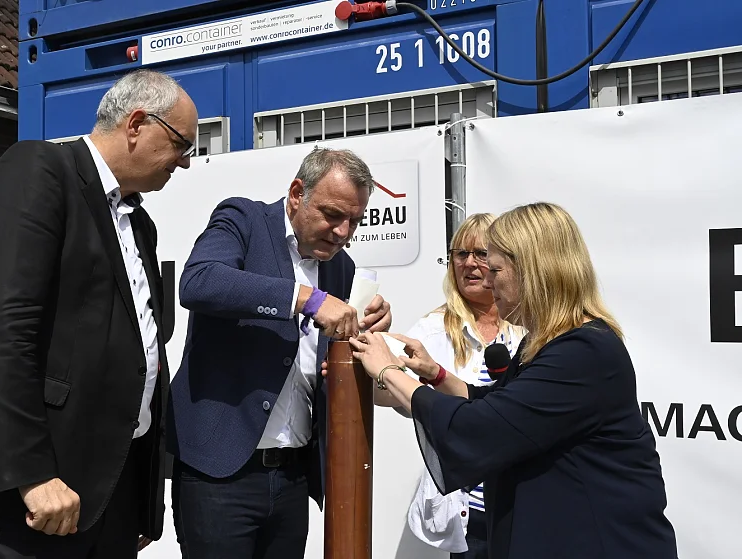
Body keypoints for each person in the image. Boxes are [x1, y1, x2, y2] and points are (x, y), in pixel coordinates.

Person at [0, 68, 198, 559]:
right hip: (38, 493)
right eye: (182, 144)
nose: (184, 163)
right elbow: (0, 331)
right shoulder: (38, 171)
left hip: (109, 491)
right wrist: (33, 474)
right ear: (136, 123)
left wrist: (140, 500)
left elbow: (139, 355)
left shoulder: (139, 223)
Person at [351, 202, 678, 559]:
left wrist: (388, 370)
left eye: (494, 269)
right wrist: (435, 374)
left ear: (534, 271)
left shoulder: (584, 351)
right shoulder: (544, 342)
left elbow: (481, 427)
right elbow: (496, 405)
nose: (487, 282)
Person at [168, 147, 393, 559]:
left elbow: (327, 355)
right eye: (332, 215)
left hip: (293, 478)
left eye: (355, 222)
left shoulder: (341, 268)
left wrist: (366, 324)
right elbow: (198, 282)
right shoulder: (243, 220)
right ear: (296, 193)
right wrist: (304, 298)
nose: (343, 232)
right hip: (221, 474)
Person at [373, 214, 525, 559]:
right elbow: (391, 391)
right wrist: (374, 370)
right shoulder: (431, 330)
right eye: (460, 254)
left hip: (525, 505)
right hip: (469, 515)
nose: (470, 263)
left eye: (482, 253)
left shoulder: (528, 326)